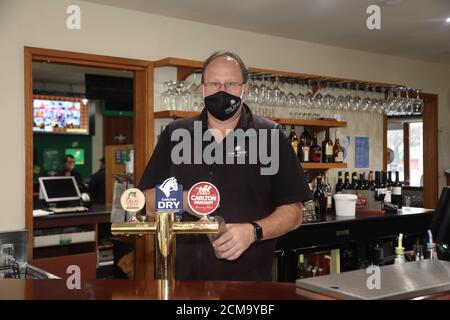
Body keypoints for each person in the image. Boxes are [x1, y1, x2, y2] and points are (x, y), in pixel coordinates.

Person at [138, 51, 311, 281]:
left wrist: (253, 231)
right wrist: (183, 200)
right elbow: (145, 201)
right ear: (202, 89)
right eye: (214, 83)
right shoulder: (176, 133)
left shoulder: (271, 136)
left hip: (248, 284)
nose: (222, 91)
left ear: (244, 89)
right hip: (182, 281)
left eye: (230, 83)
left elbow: (293, 213)